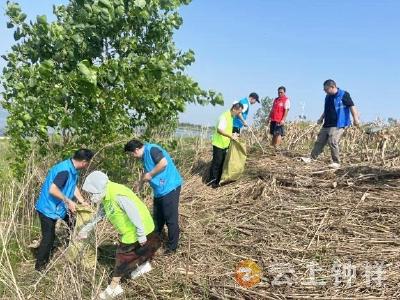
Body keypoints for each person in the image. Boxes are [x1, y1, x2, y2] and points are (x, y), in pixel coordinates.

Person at [79, 171, 160, 300]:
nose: (91, 197)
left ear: (98, 188)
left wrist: (140, 233)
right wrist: (86, 228)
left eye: (91, 193)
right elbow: (101, 214)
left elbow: (134, 213)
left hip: (138, 228)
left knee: (122, 258)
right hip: (132, 231)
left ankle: (114, 288)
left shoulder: (117, 194)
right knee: (139, 250)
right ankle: (144, 266)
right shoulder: (106, 195)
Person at [34, 148, 94, 271]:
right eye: (88, 162)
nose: (87, 165)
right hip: (48, 208)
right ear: (83, 161)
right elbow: (53, 189)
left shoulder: (71, 168)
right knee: (49, 238)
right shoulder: (65, 170)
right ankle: (39, 267)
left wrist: (82, 201)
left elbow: (72, 186)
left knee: (73, 223)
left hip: (59, 207)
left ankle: (71, 248)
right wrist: (69, 201)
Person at [124, 139, 182, 255]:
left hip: (169, 187)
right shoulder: (143, 156)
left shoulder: (152, 149)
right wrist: (140, 184)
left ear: (136, 150)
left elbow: (163, 163)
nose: (132, 157)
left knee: (170, 219)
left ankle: (172, 248)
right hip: (159, 190)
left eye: (132, 154)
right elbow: (147, 169)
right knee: (157, 217)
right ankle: (154, 242)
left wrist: (151, 175)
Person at [302, 79, 360, 168]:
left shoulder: (344, 94)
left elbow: (352, 106)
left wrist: (355, 118)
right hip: (327, 123)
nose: (325, 91)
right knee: (319, 141)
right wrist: (321, 118)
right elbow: (326, 110)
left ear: (332, 87)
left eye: (326, 89)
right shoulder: (328, 97)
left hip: (339, 123)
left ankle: (336, 162)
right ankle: (312, 158)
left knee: (332, 141)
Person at [209, 102, 244, 188]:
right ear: (234, 109)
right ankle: (212, 182)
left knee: (222, 163)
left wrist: (234, 135)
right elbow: (220, 130)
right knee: (217, 163)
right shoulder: (224, 116)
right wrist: (231, 136)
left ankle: (218, 181)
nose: (239, 114)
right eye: (239, 112)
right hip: (218, 144)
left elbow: (227, 129)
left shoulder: (231, 117)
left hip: (224, 144)